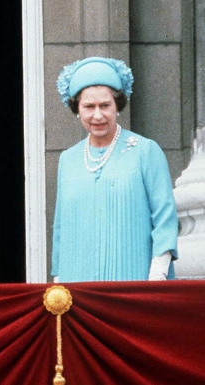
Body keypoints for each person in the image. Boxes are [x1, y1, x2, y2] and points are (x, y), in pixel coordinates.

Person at [51, 56, 179, 282]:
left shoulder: (145, 151)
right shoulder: (68, 159)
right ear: (77, 109)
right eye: (89, 107)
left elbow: (165, 219)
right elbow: (61, 229)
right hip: (78, 282)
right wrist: (59, 280)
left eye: (105, 105)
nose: (97, 115)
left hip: (134, 281)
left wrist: (157, 275)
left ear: (117, 106)